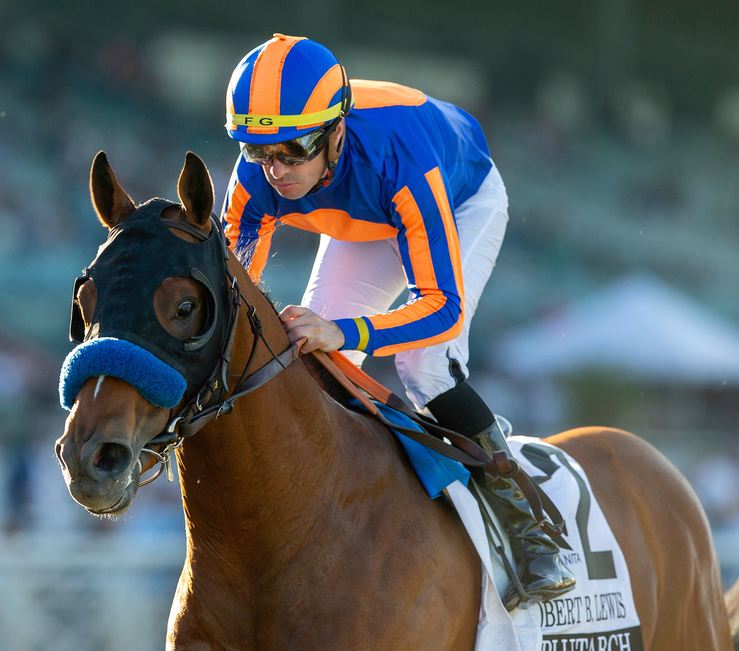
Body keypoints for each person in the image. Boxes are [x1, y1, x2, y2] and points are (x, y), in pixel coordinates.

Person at [220, 33, 574, 610]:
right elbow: (231, 291)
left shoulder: (399, 155)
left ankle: (530, 527)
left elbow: (442, 308)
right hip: (366, 217)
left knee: (424, 363)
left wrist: (350, 332)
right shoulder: (257, 175)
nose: (275, 170)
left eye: (292, 150)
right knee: (317, 364)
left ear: (335, 130)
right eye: (258, 151)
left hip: (455, 198)